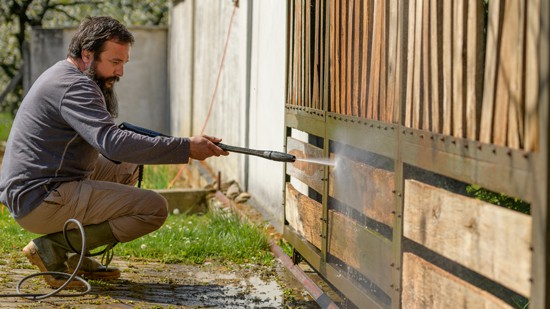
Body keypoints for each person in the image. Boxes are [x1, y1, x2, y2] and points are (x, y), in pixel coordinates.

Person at [0, 16, 229, 288]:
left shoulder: (65, 73)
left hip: (41, 187)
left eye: (123, 63)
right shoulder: (75, 86)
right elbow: (112, 143)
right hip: (39, 198)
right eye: (115, 62)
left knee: (126, 167)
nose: (120, 72)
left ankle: (75, 254)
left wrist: (179, 145)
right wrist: (186, 147)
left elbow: (115, 146)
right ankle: (53, 248)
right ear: (87, 54)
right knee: (154, 208)